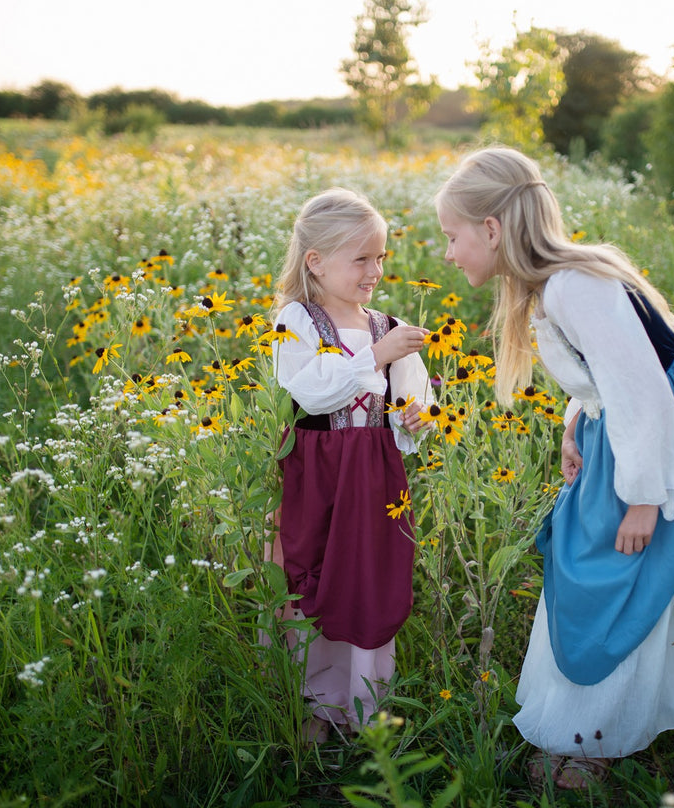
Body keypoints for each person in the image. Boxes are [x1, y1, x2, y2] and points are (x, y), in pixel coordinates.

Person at [435, 147, 674, 789]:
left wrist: (646, 500)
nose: (448, 252)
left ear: (491, 229)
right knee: (588, 567)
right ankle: (582, 724)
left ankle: (594, 736)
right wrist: (576, 424)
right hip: (627, 435)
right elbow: (606, 377)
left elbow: (642, 391)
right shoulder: (556, 283)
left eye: (451, 237)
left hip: (656, 449)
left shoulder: (574, 286)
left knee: (616, 574)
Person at [268, 187, 433, 743]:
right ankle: (314, 702)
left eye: (381, 256)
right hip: (315, 474)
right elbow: (312, 394)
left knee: (368, 578)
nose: (375, 270)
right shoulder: (298, 320)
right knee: (312, 578)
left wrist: (413, 420)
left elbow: (412, 399)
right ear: (315, 261)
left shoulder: (387, 327)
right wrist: (374, 358)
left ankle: (363, 704)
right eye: (361, 258)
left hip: (374, 475)